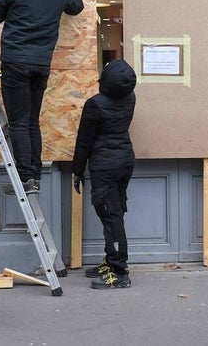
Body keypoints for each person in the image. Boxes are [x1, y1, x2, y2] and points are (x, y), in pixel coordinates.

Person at [0, 0, 84, 194]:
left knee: (18, 121)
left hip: (15, 62)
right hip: (41, 65)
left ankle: (26, 176)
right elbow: (77, 6)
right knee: (31, 121)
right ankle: (35, 176)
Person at [71, 59, 137, 289]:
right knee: (115, 212)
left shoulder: (95, 104)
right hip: (125, 161)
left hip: (105, 166)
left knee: (111, 217)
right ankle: (111, 260)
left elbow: (84, 141)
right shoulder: (130, 98)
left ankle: (119, 272)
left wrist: (77, 171)